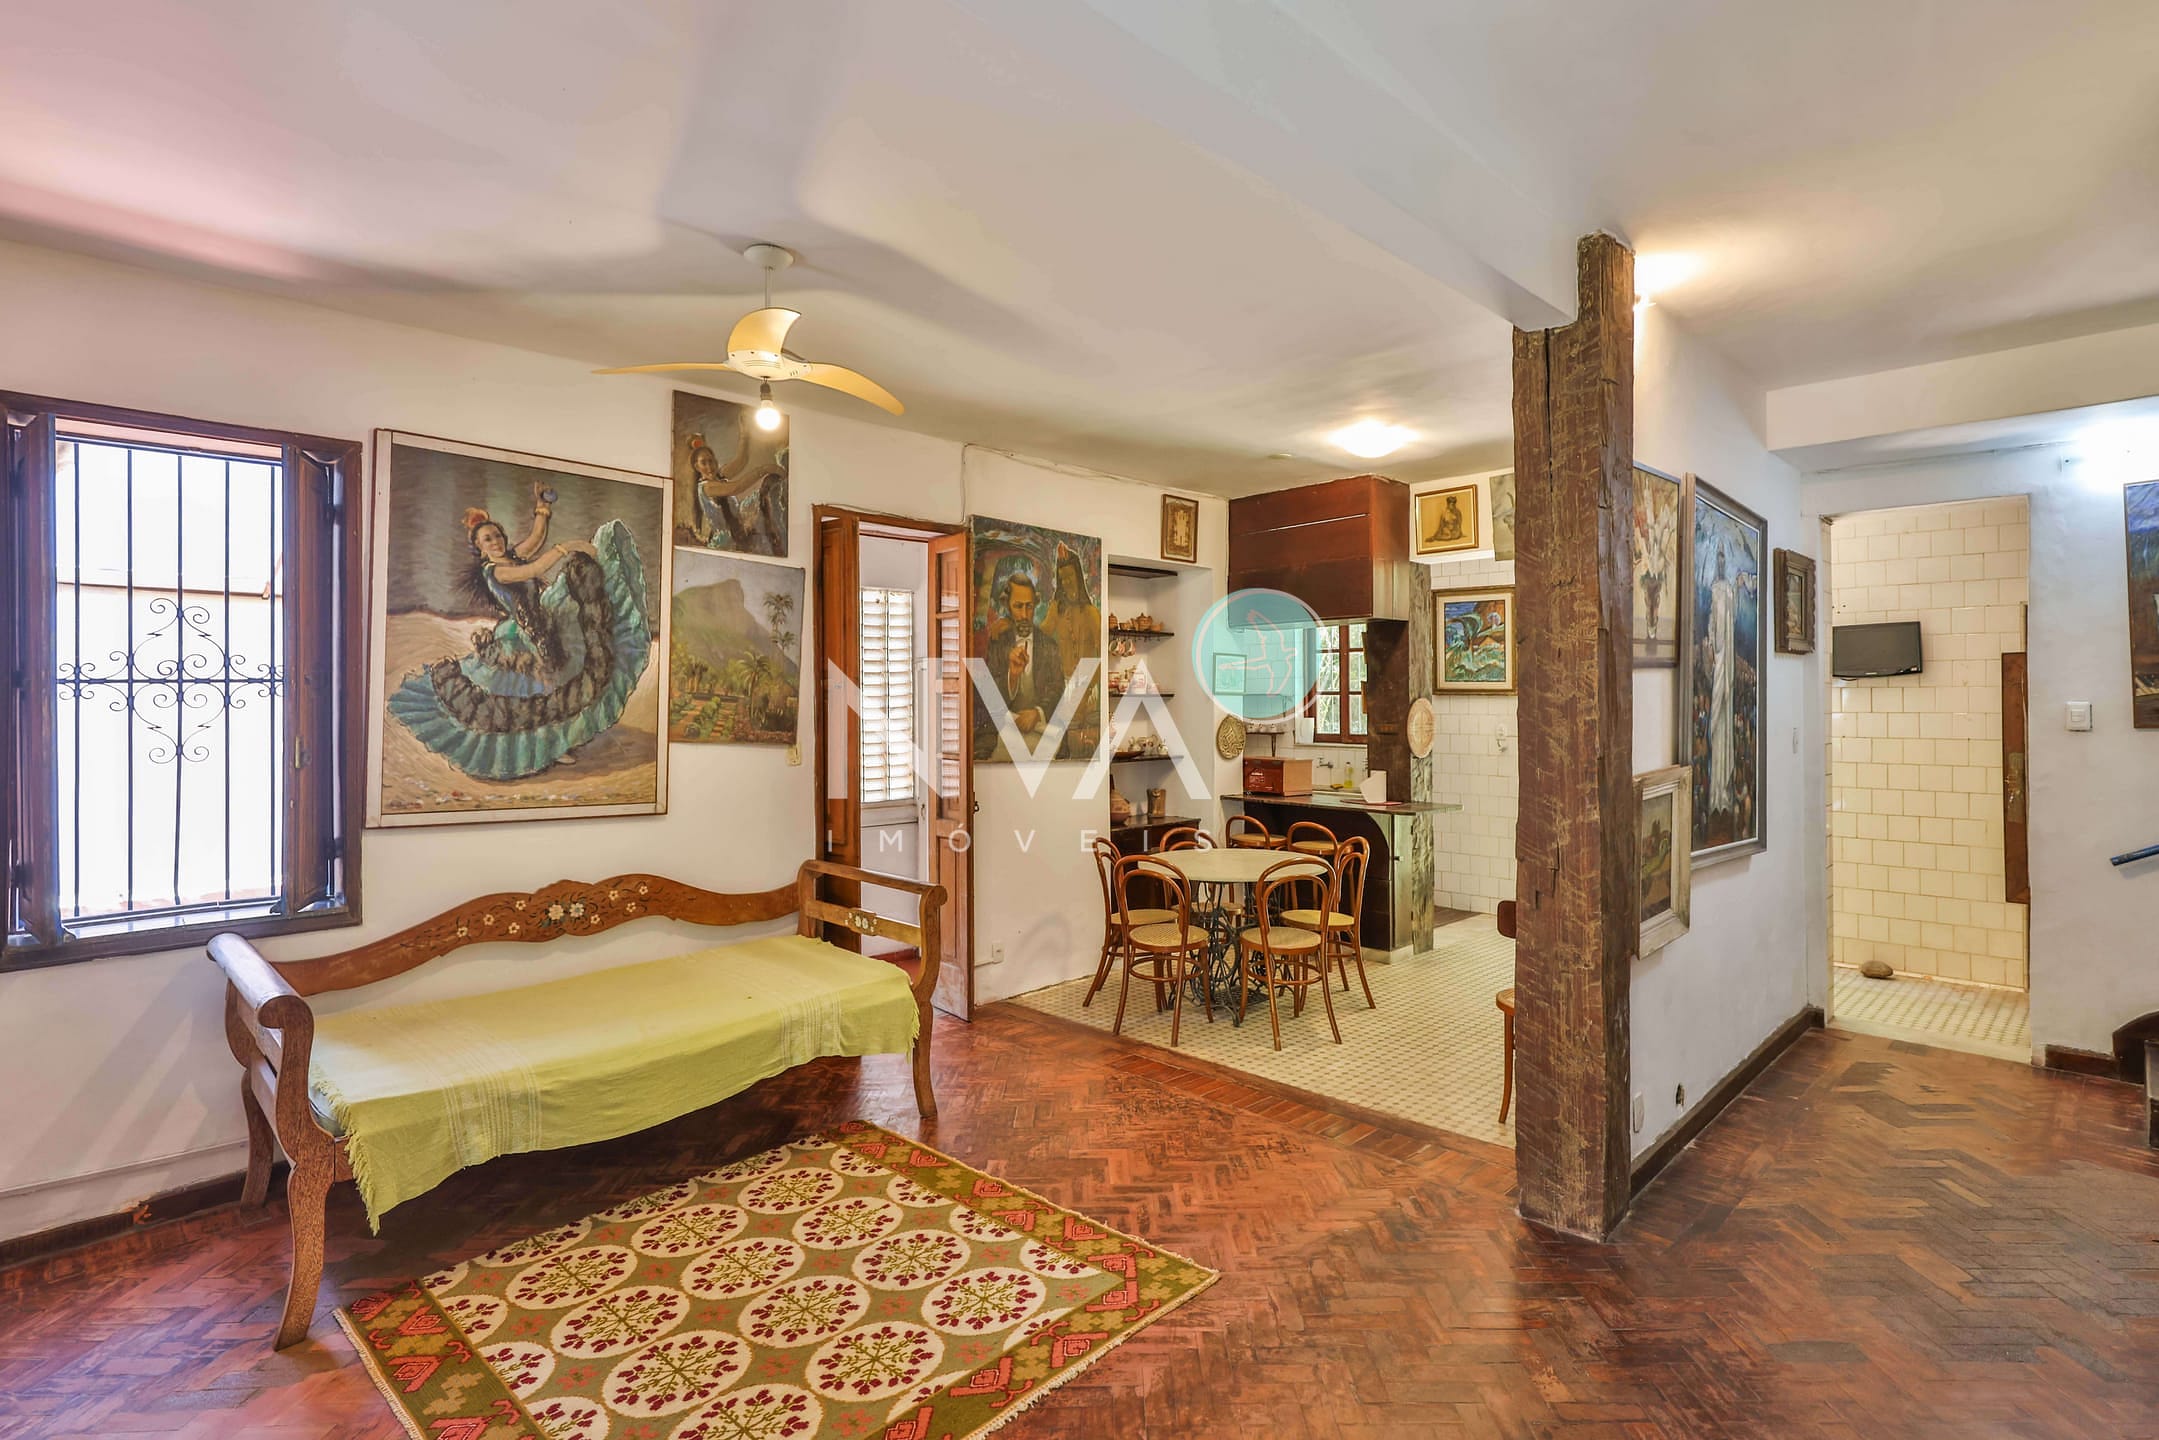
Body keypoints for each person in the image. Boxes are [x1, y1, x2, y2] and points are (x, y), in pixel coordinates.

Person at [387, 484, 652, 780]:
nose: (496, 542)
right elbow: (532, 570)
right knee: (533, 694)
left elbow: (536, 540)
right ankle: (543, 748)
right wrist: (569, 547)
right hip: (519, 636)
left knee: (558, 687)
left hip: (541, 629)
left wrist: (542, 508)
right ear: (479, 548)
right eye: (488, 539)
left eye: (497, 535)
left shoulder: (510, 556)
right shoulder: (495, 571)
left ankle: (556, 741)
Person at [980, 564, 1067, 756]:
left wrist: (1037, 712)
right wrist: (1012, 677)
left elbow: (1058, 689)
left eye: (1029, 606)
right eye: (1018, 606)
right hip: (1006, 738)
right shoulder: (998, 644)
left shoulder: (1049, 645)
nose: (1025, 615)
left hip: (1044, 736)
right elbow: (990, 694)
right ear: (1008, 606)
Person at [1707, 548, 1738, 814]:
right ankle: (1715, 792)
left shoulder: (1728, 590)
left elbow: (1731, 618)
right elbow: (1711, 621)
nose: (1720, 562)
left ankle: (1723, 791)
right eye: (1717, 558)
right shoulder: (1714, 589)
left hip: (1725, 657)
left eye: (1723, 558)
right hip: (1718, 657)